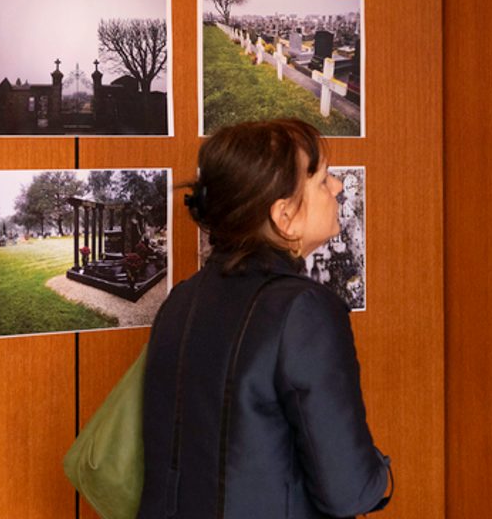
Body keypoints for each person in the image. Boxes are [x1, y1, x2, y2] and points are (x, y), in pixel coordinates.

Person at [139, 118, 391, 519]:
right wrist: (381, 474)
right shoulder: (304, 310)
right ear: (284, 216)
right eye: (323, 179)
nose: (339, 187)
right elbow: (349, 491)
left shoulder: (182, 299)